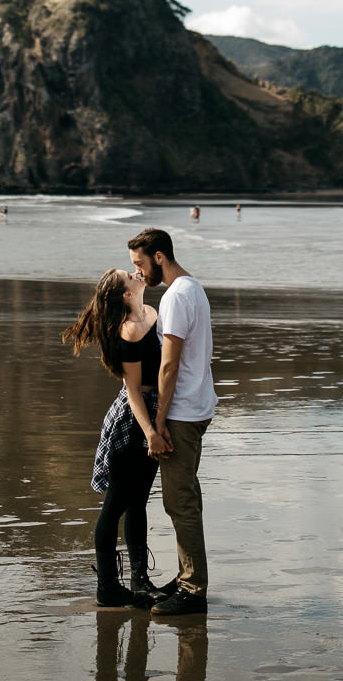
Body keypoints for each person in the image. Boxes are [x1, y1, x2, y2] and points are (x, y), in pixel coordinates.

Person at [63, 267, 166, 609]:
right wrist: (150, 431)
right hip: (134, 419)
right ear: (126, 294)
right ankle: (107, 586)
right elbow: (133, 391)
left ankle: (140, 581)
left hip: (153, 411)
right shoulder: (131, 329)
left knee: (139, 499)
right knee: (115, 505)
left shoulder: (151, 312)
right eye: (130, 275)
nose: (138, 272)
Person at [127, 227, 216, 616]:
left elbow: (169, 363)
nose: (139, 272)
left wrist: (159, 420)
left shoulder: (176, 297)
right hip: (195, 404)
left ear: (159, 257)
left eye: (140, 264)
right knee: (183, 498)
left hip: (182, 411)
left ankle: (193, 590)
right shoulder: (191, 287)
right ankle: (186, 577)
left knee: (180, 502)